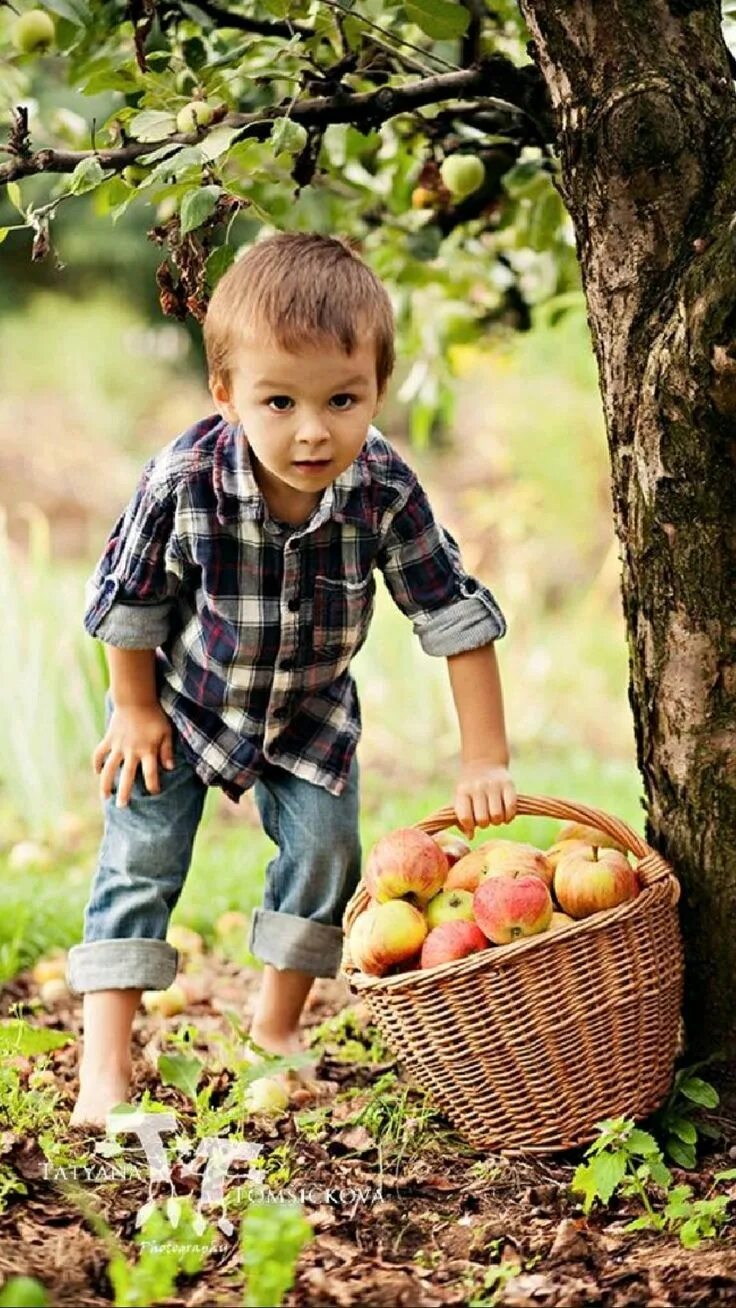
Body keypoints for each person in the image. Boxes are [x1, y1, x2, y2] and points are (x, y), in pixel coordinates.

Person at [66, 231, 517, 1126]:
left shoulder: (384, 486)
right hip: (182, 706)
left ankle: (274, 1030)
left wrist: (483, 759)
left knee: (326, 855)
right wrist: (133, 708)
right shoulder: (186, 478)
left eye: (342, 400)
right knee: (140, 858)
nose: (313, 430)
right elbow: (130, 602)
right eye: (280, 402)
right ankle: (104, 1069)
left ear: (376, 390)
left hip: (307, 714)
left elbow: (455, 619)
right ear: (227, 394)